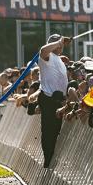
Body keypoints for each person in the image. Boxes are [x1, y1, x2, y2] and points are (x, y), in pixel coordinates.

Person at [37, 34, 71, 168]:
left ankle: (51, 160)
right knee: (48, 132)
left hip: (58, 99)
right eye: (58, 44)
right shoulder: (47, 56)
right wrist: (59, 41)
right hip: (49, 98)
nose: (61, 46)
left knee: (56, 131)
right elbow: (43, 50)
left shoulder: (58, 59)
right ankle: (48, 159)